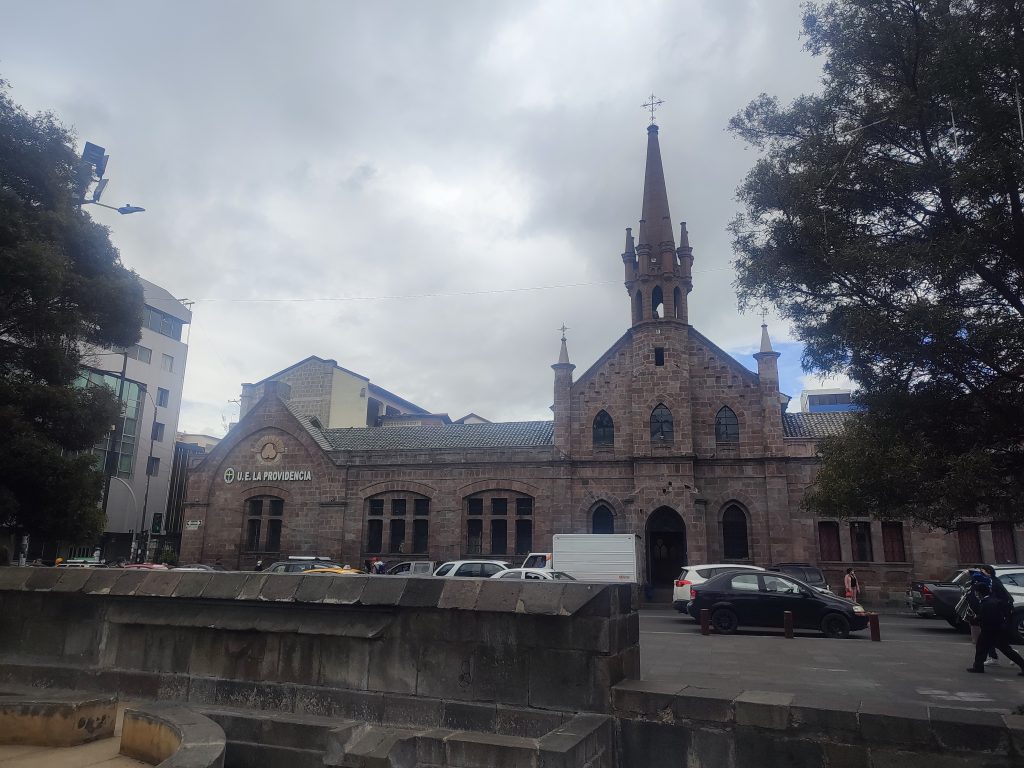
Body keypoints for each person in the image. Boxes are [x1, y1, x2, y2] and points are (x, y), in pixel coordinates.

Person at [966, 579, 1024, 675]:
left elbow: (989, 618)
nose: (976, 594)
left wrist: (975, 619)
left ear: (980, 592)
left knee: (982, 647)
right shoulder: (991, 600)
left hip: (990, 630)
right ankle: (978, 666)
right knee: (1005, 649)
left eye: (976, 592)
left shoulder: (987, 603)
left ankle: (978, 667)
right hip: (997, 629)